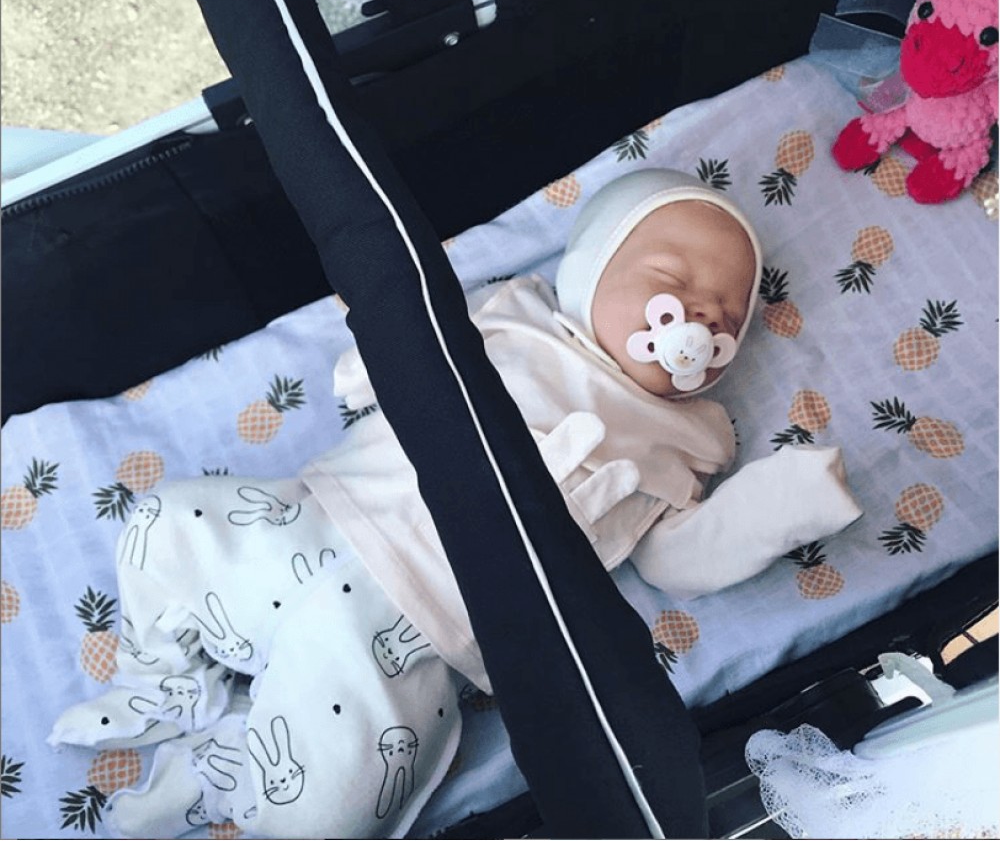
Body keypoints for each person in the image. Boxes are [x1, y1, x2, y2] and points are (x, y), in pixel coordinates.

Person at [51, 169, 862, 840]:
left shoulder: (685, 442)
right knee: (164, 525)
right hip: (314, 519)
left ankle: (226, 771)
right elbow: (409, 344)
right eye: (673, 281)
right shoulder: (515, 319)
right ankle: (169, 676)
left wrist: (783, 503)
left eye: (728, 314)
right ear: (589, 271)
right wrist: (368, 370)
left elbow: (675, 559)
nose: (703, 314)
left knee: (342, 806)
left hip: (414, 638)